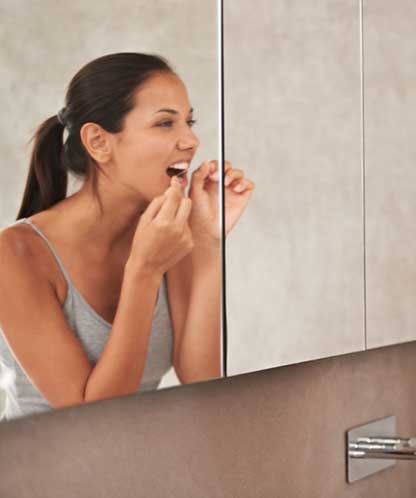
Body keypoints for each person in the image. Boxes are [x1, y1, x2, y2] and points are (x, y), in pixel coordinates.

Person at [0, 52, 254, 420]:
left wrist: (207, 240)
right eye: (165, 123)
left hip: (128, 468)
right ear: (99, 142)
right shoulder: (15, 255)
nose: (191, 140)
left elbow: (202, 378)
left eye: (189, 121)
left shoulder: (168, 235)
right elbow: (94, 417)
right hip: (38, 473)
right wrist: (144, 271)